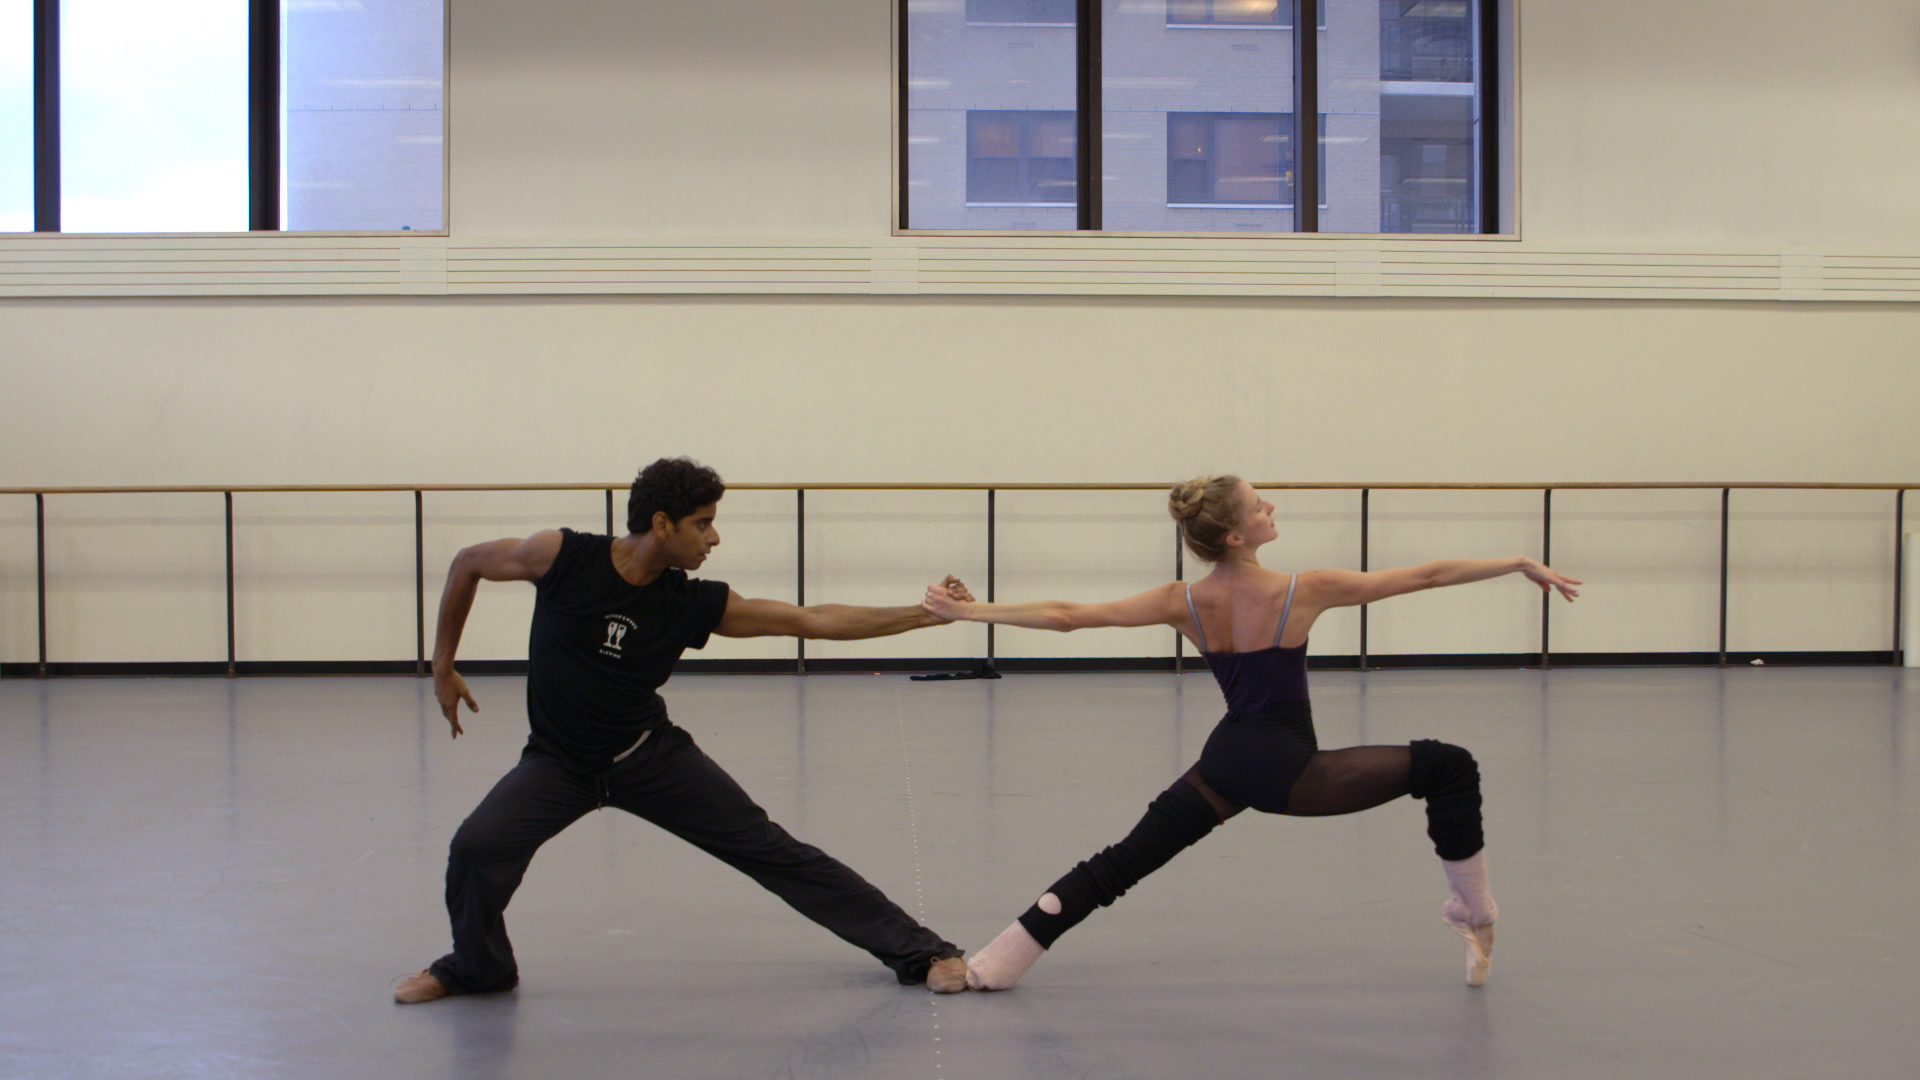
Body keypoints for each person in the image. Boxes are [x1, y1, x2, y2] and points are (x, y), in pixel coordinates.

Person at [921, 475, 1581, 991]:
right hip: (1288, 768)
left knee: (1120, 863)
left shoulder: (1183, 600)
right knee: (1451, 766)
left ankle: (989, 966)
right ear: (1236, 536)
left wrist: (968, 611)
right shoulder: (1307, 588)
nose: (1270, 506)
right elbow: (1428, 575)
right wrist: (1517, 560)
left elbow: (1067, 616)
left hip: (1228, 759)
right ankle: (1475, 909)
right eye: (1258, 505)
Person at [394, 457, 974, 1003]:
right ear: (662, 523)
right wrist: (442, 662)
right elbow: (468, 560)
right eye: (704, 524)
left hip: (649, 758)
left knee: (770, 849)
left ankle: (921, 952)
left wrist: (925, 612)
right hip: (557, 764)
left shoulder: (693, 603)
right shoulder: (562, 556)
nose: (714, 538)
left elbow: (812, 620)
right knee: (476, 848)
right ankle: (477, 968)